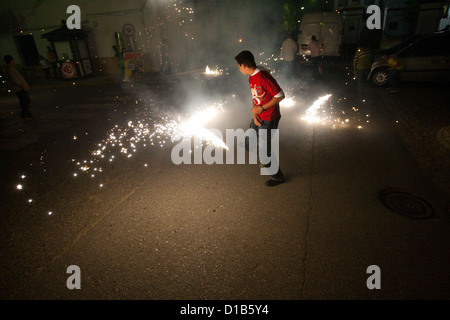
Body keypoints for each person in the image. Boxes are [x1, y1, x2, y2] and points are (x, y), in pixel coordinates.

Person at [235, 50, 285, 187]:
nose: (239, 69)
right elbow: (255, 98)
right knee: (251, 135)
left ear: (244, 65)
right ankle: (249, 145)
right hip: (259, 116)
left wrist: (262, 109)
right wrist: (255, 114)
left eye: (239, 66)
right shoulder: (252, 77)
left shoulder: (262, 77)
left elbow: (280, 95)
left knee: (264, 153)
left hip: (269, 118)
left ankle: (278, 177)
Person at [3, 55, 34, 119]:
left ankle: (27, 114)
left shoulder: (11, 68)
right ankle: (25, 114)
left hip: (19, 88)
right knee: (25, 100)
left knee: (25, 101)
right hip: (19, 88)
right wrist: (22, 86)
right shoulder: (10, 69)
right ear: (11, 60)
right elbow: (15, 80)